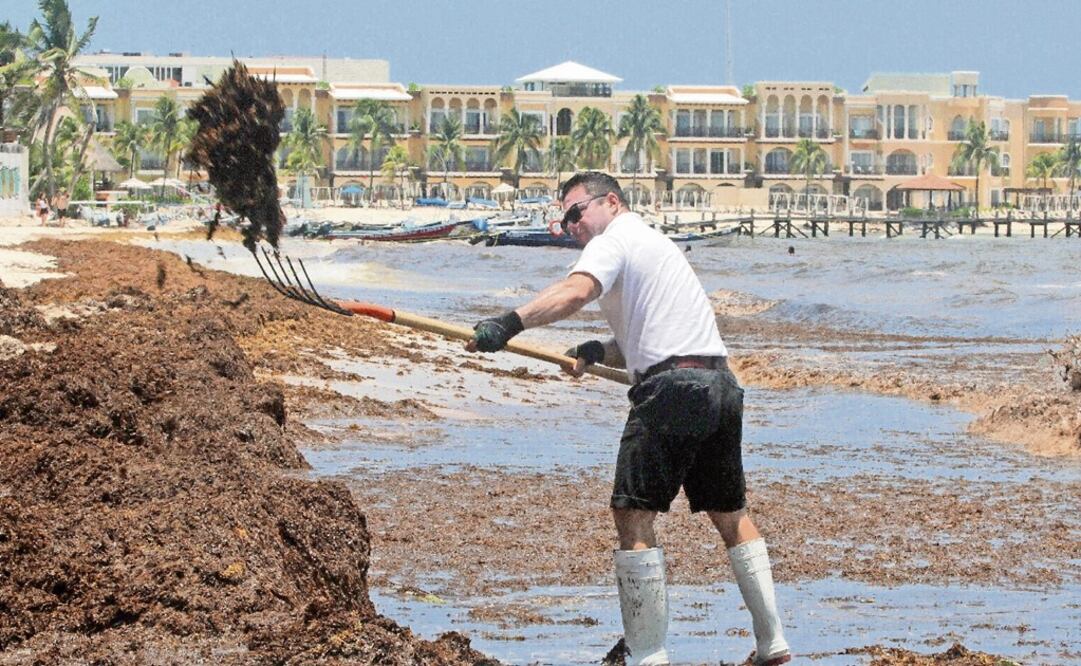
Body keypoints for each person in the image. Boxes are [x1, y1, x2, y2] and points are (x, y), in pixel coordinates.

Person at [466, 172, 789, 666]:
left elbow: (575, 292)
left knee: (632, 513)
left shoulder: (613, 239)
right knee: (731, 516)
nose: (569, 224)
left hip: (673, 390)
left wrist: (508, 325)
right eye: (563, 217)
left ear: (610, 202)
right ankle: (773, 644)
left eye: (575, 212)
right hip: (720, 385)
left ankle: (648, 654)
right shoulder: (655, 244)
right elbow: (651, 339)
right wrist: (597, 349)